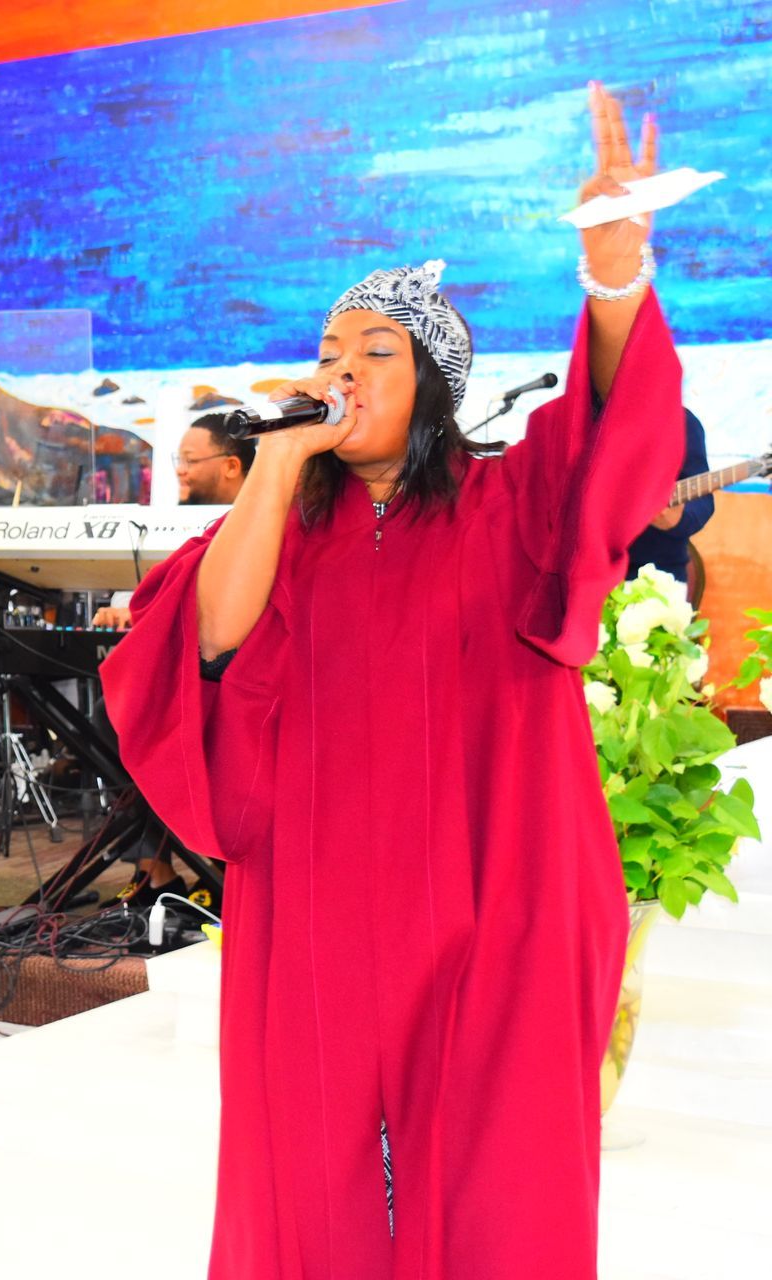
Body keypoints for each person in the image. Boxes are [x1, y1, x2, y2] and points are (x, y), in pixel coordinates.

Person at [100, 84, 680, 1275]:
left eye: (377, 351)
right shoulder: (279, 529)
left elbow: (607, 446)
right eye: (329, 353)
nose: (346, 370)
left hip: (489, 909)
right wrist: (276, 466)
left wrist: (614, 281)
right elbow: (208, 637)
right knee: (313, 1185)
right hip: (317, 919)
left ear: (433, 384)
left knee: (487, 1184)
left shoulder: (505, 510)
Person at [93, 413, 255, 631]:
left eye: (191, 460)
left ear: (232, 467)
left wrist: (143, 613)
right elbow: (135, 589)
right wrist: (126, 611)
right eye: (179, 460)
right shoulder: (174, 525)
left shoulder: (259, 530)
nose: (180, 470)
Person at [625, 407, 714, 584]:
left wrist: (679, 518)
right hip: (580, 569)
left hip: (653, 572)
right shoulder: (575, 414)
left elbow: (703, 503)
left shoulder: (682, 421)